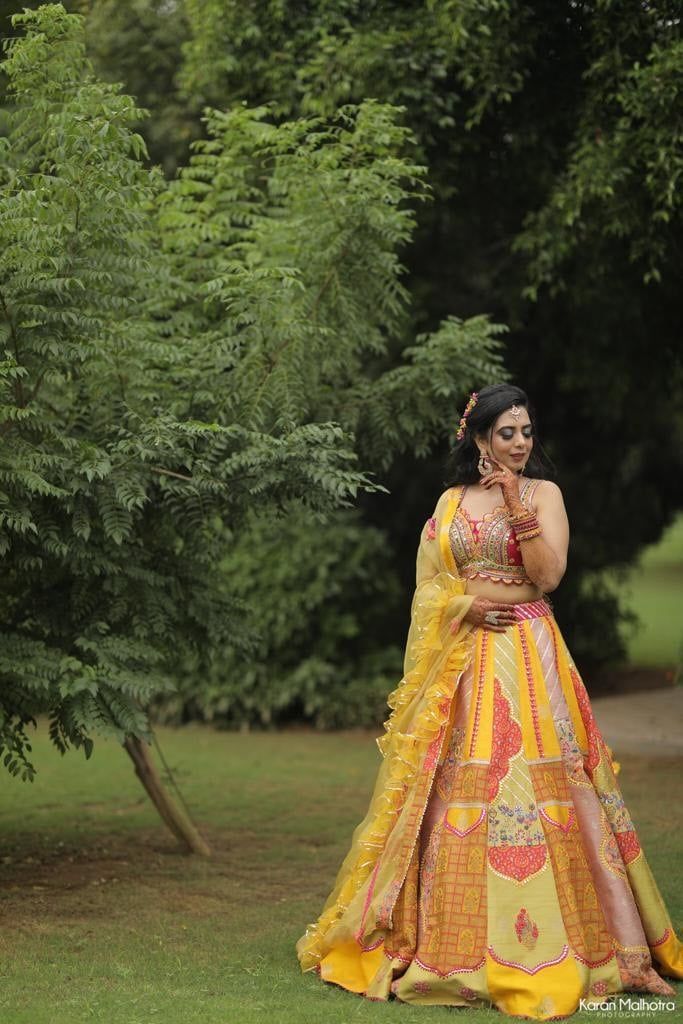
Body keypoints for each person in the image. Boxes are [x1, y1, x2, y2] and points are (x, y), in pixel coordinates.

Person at [295, 383, 683, 1019]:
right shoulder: (449, 504)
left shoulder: (543, 495)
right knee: (451, 793)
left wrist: (514, 502)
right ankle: (455, 948)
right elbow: (426, 589)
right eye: (507, 433)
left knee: (547, 788)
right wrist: (463, 606)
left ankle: (585, 949)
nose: (521, 443)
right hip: (464, 662)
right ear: (479, 439)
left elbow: (550, 575)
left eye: (527, 432)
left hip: (530, 656)